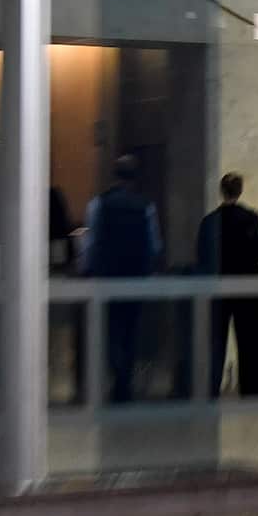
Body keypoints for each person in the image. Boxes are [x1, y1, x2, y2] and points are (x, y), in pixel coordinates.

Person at [83, 155, 164, 403]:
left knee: (111, 331)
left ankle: (117, 379)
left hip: (108, 278)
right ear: (135, 176)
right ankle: (125, 382)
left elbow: (91, 242)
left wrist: (87, 269)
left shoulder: (99, 204)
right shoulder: (146, 206)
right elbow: (155, 245)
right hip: (136, 279)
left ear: (115, 175)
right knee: (131, 331)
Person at [196, 173, 258, 397]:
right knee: (249, 342)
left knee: (215, 342)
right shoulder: (249, 218)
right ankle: (251, 390)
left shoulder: (210, 221)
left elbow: (201, 255)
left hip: (217, 289)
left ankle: (210, 389)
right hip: (246, 288)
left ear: (222, 191)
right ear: (240, 191)